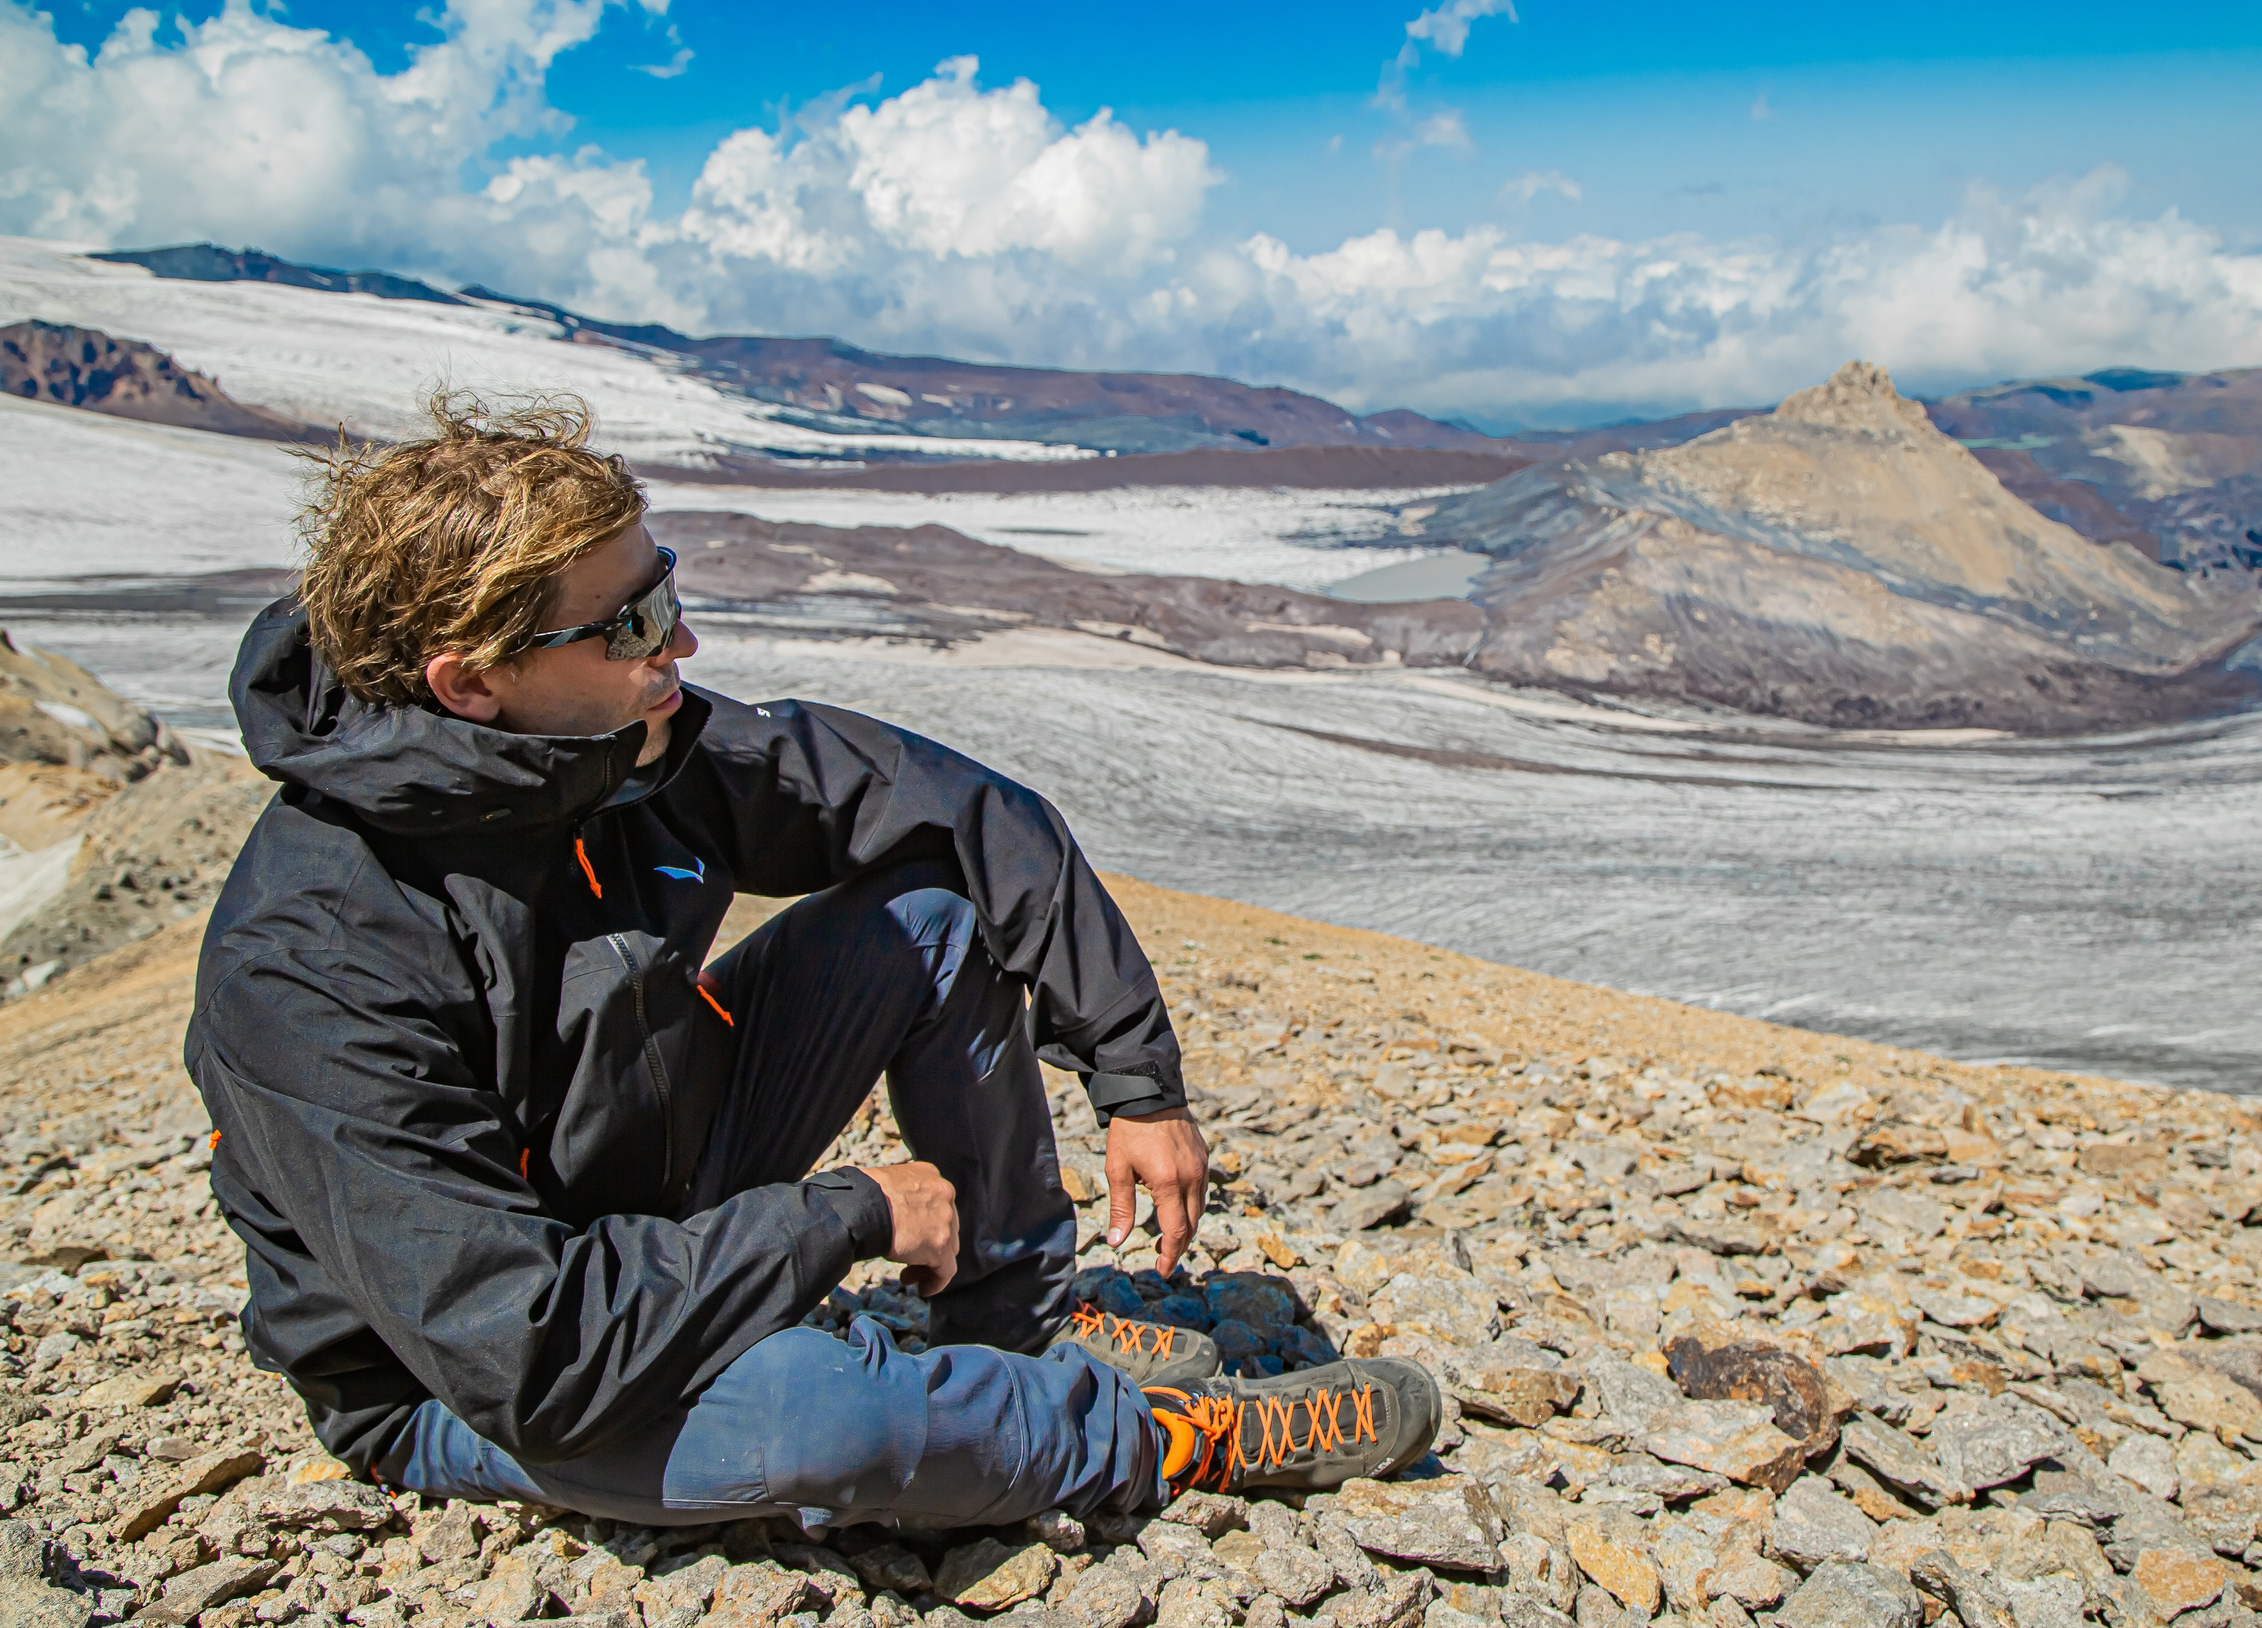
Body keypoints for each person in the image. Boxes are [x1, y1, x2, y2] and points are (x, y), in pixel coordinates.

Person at [183, 394, 1437, 1530]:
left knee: (932, 916)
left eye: (664, 588)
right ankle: (1152, 1436)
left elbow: (961, 812)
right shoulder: (310, 962)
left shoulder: (618, 747)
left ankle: (1017, 1328)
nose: (680, 643)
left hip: (648, 1192)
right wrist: (846, 1212)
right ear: (470, 683)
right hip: (468, 1375)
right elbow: (531, 1350)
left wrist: (1137, 1078)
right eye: (633, 623)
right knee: (824, 1412)